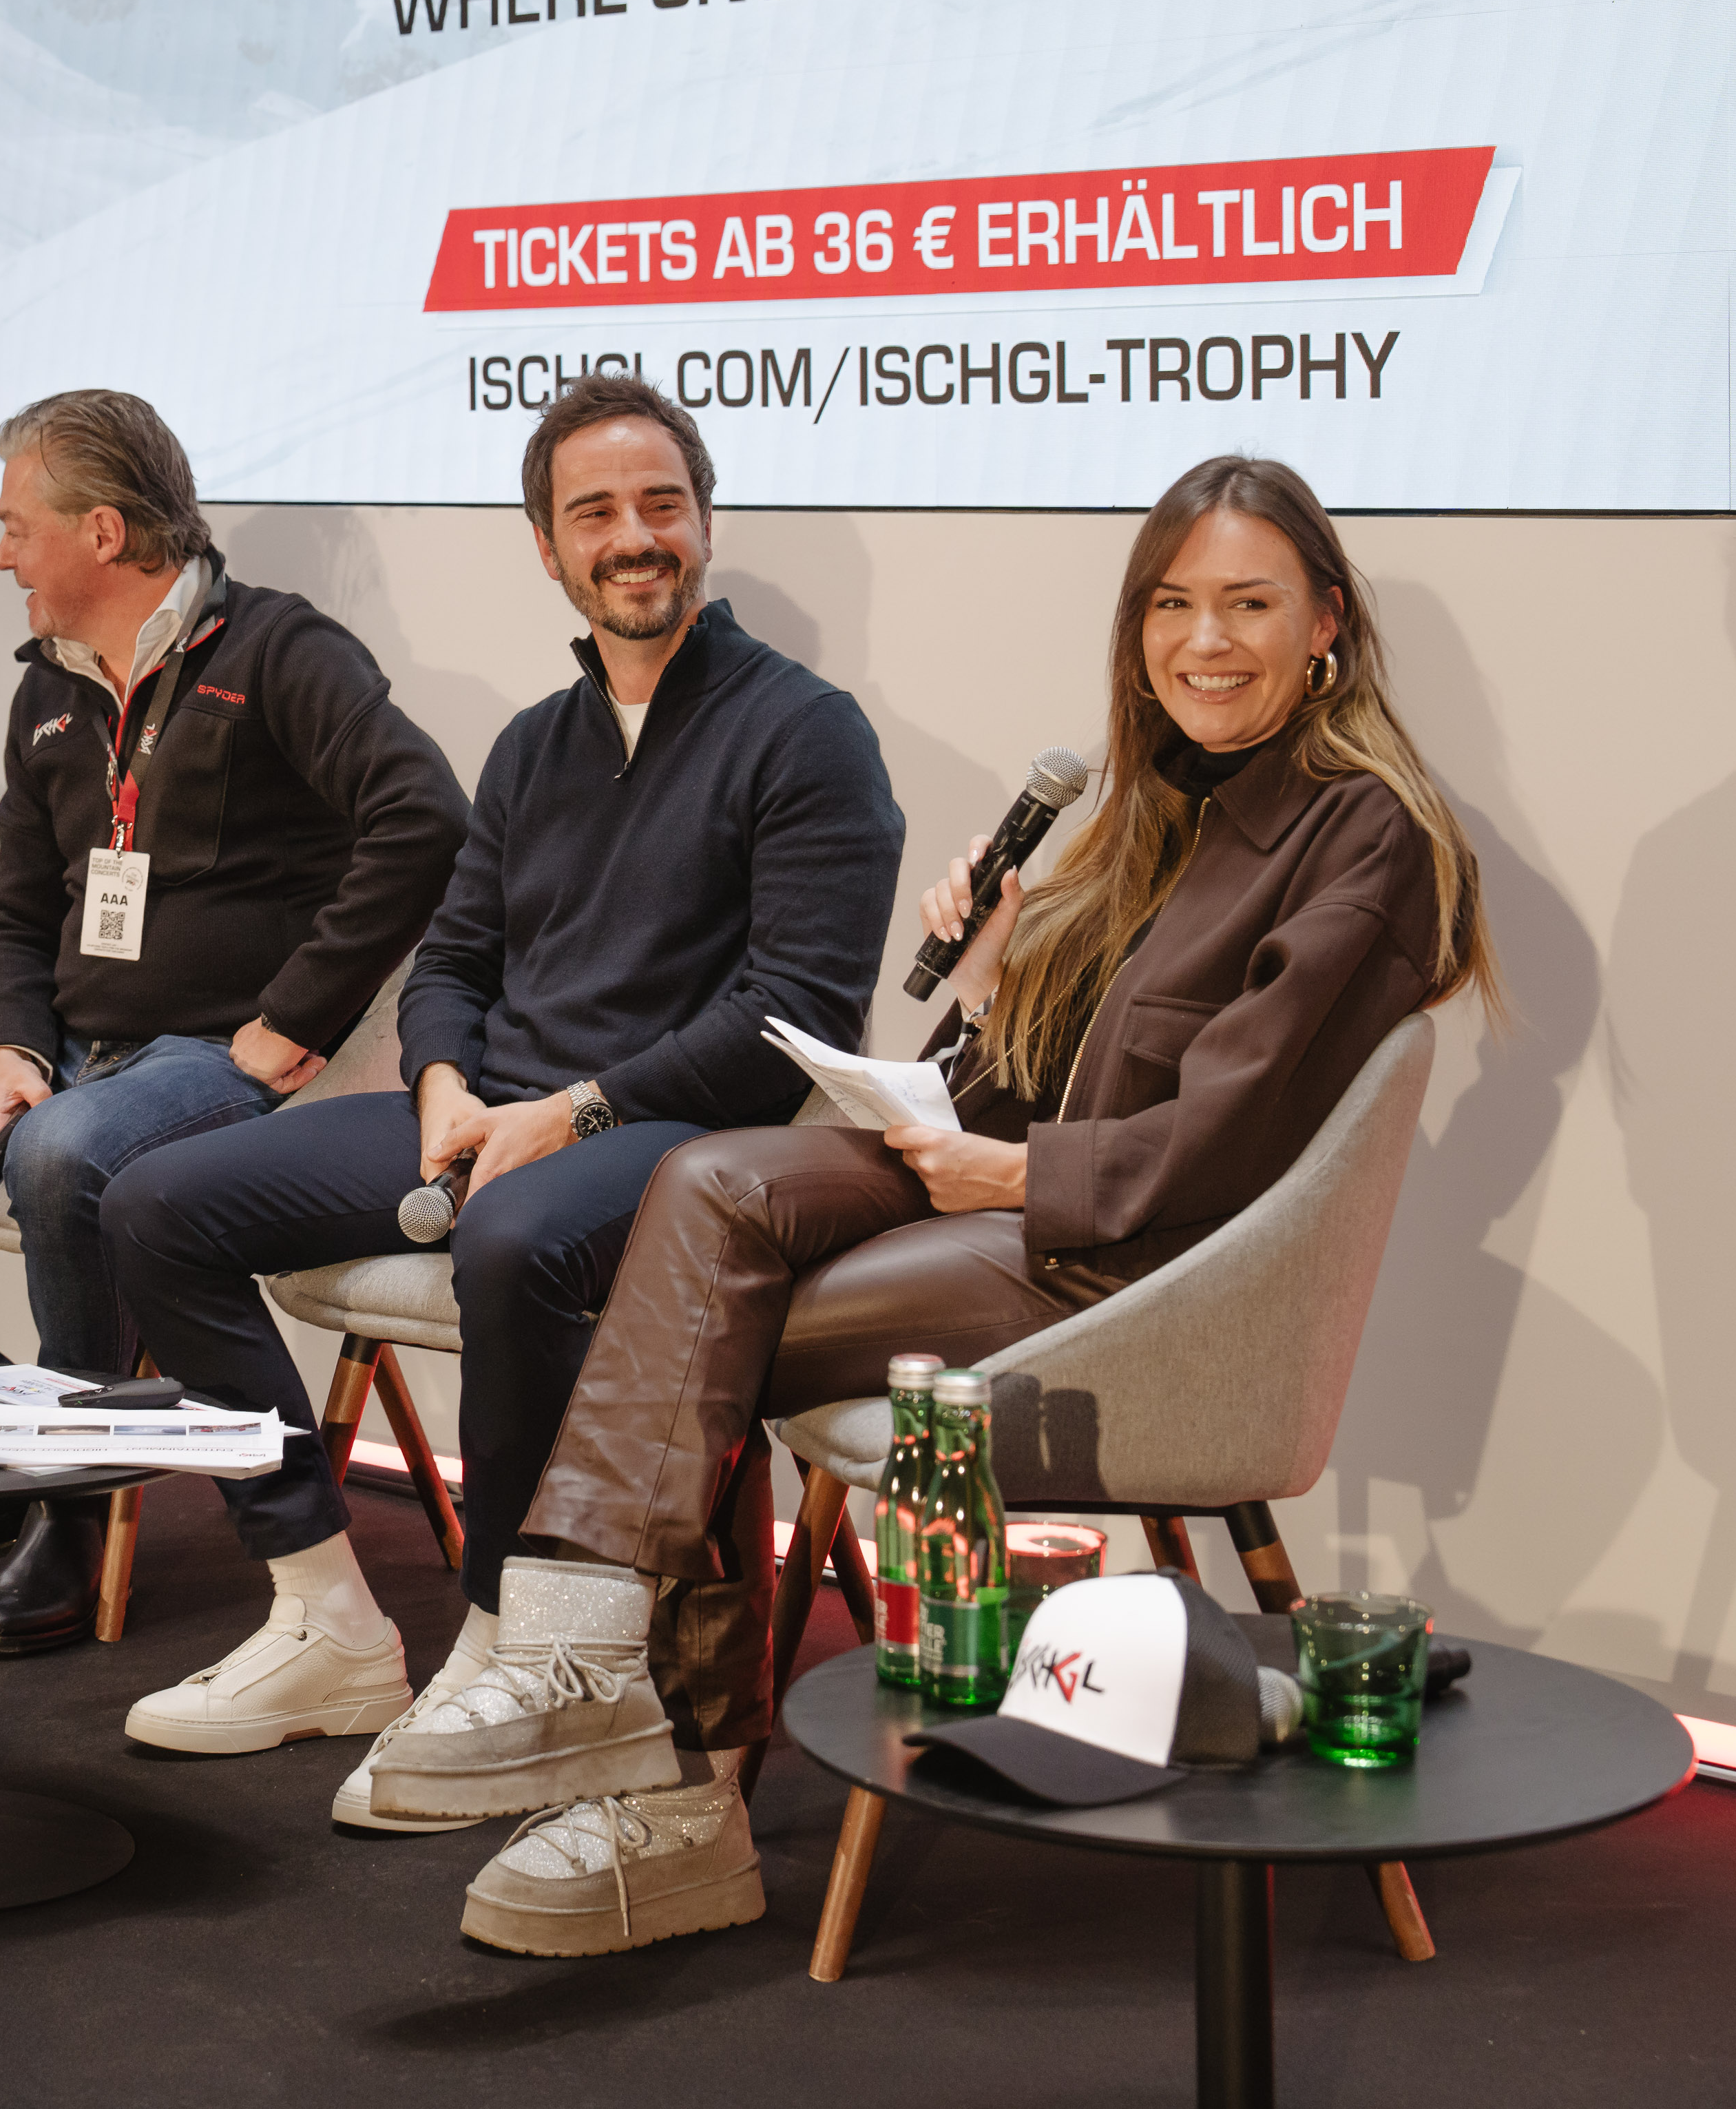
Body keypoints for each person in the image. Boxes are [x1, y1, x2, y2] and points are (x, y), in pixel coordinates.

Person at [390, 453, 1500, 1955]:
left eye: (1248, 604)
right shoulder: (1157, 813)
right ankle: (590, 1672)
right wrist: (988, 977)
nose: (1205, 641)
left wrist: (1023, 1175)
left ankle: (673, 1781)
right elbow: (1005, 1088)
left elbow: (1234, 1127)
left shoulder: (1367, 832)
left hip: (1144, 1263)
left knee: (682, 1317)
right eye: (1171, 605)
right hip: (1031, 1203)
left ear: (1325, 624)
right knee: (704, 1181)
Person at [96, 375, 903, 1802]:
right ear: (548, 547)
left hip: (682, 1132)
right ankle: (326, 1615)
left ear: (706, 524)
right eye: (594, 513)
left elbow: (794, 1015)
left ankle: (502, 1639)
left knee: (514, 1238)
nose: (633, 535)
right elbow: (455, 956)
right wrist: (443, 1083)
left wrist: (572, 1112)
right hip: (498, 1110)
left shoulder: (806, 730)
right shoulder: (537, 740)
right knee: (154, 1202)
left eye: (661, 504)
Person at [0, 389, 469, 1654]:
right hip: (70, 1047)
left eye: (18, 526)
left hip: (214, 1061)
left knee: (66, 1154)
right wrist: (7, 1046)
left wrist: (298, 1016)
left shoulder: (282, 652)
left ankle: (65, 1503)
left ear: (104, 532)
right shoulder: (50, 691)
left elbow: (427, 820)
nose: (1, 554)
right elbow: (16, 908)